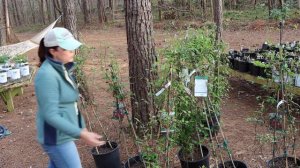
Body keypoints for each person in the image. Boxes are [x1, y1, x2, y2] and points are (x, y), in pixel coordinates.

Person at [34, 27, 105, 168]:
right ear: (52, 51)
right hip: (56, 138)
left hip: (62, 135)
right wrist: (81, 133)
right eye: (67, 48)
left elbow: (71, 103)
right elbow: (51, 115)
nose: (72, 51)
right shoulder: (47, 75)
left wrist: (82, 128)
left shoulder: (62, 68)